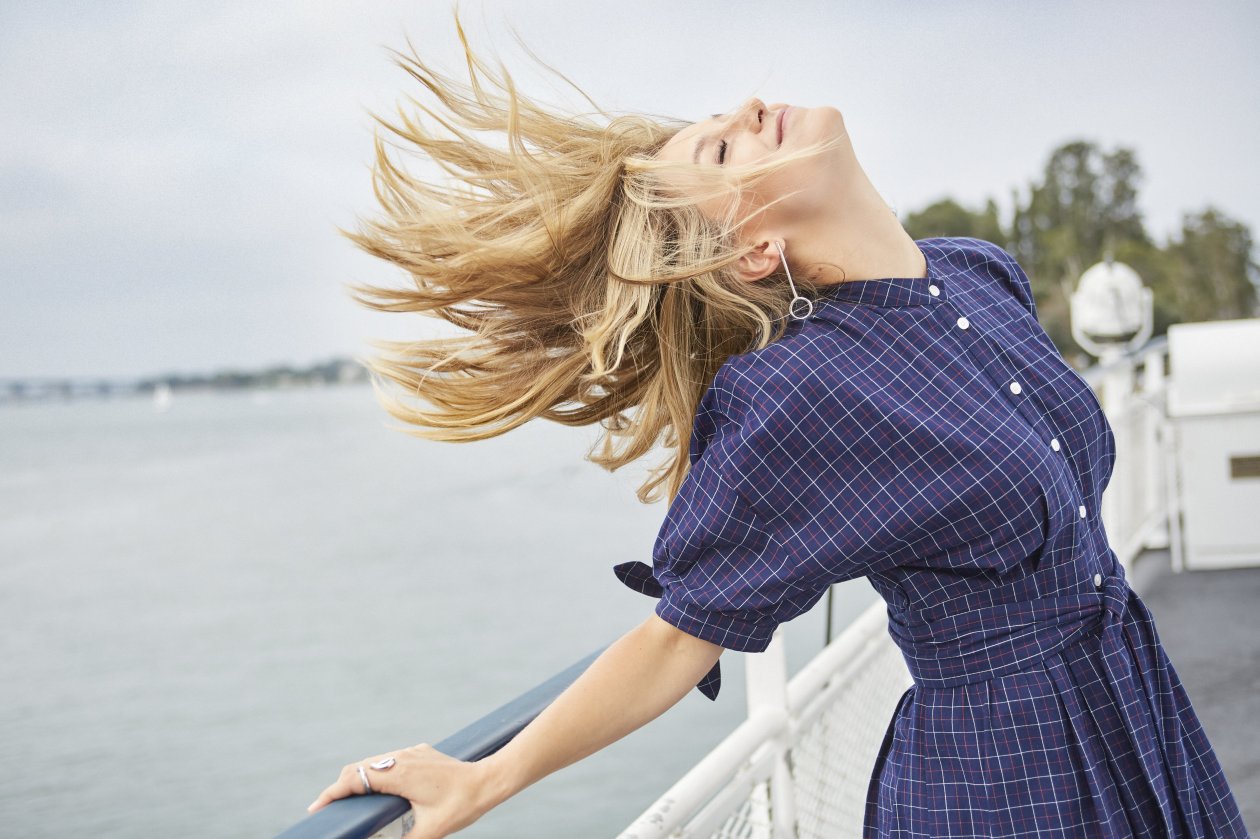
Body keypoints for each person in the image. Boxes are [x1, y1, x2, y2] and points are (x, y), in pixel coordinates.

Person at [307, 27, 1248, 839]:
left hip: (1133, 696)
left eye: (727, 120)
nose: (752, 106)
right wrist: (486, 776)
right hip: (1004, 774)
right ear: (756, 248)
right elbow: (679, 636)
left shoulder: (979, 273)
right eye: (721, 152)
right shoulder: (797, 393)